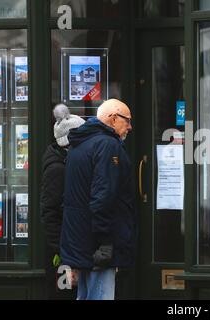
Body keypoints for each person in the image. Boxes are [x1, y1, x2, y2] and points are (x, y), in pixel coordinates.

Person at [60, 99, 136, 300]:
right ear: (113, 119)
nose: (130, 126)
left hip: (80, 239)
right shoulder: (108, 145)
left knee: (85, 296)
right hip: (97, 243)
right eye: (127, 120)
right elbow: (103, 197)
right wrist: (105, 243)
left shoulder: (81, 143)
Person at [40, 104, 85, 299]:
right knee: (66, 293)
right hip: (63, 255)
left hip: (67, 251)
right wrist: (64, 258)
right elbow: (50, 213)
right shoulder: (58, 169)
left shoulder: (64, 163)